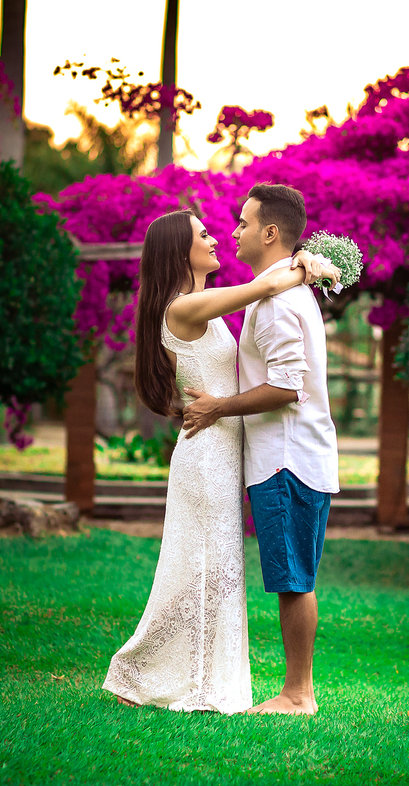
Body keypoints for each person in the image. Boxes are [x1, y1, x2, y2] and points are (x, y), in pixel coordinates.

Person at [101, 207, 338, 714]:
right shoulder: (183, 307)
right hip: (208, 454)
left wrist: (301, 261)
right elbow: (261, 290)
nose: (218, 238)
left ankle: (190, 677)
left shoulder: (198, 305)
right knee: (204, 568)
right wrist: (304, 265)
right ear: (178, 252)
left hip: (226, 448)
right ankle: (150, 673)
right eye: (203, 234)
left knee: (213, 570)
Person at [182, 184, 339, 716]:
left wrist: (218, 407)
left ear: (269, 232)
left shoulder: (274, 303)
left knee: (293, 578)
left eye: (244, 223)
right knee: (293, 575)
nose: (234, 232)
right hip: (292, 455)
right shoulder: (282, 289)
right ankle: (297, 690)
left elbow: (288, 386)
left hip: (286, 459)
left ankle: (297, 694)